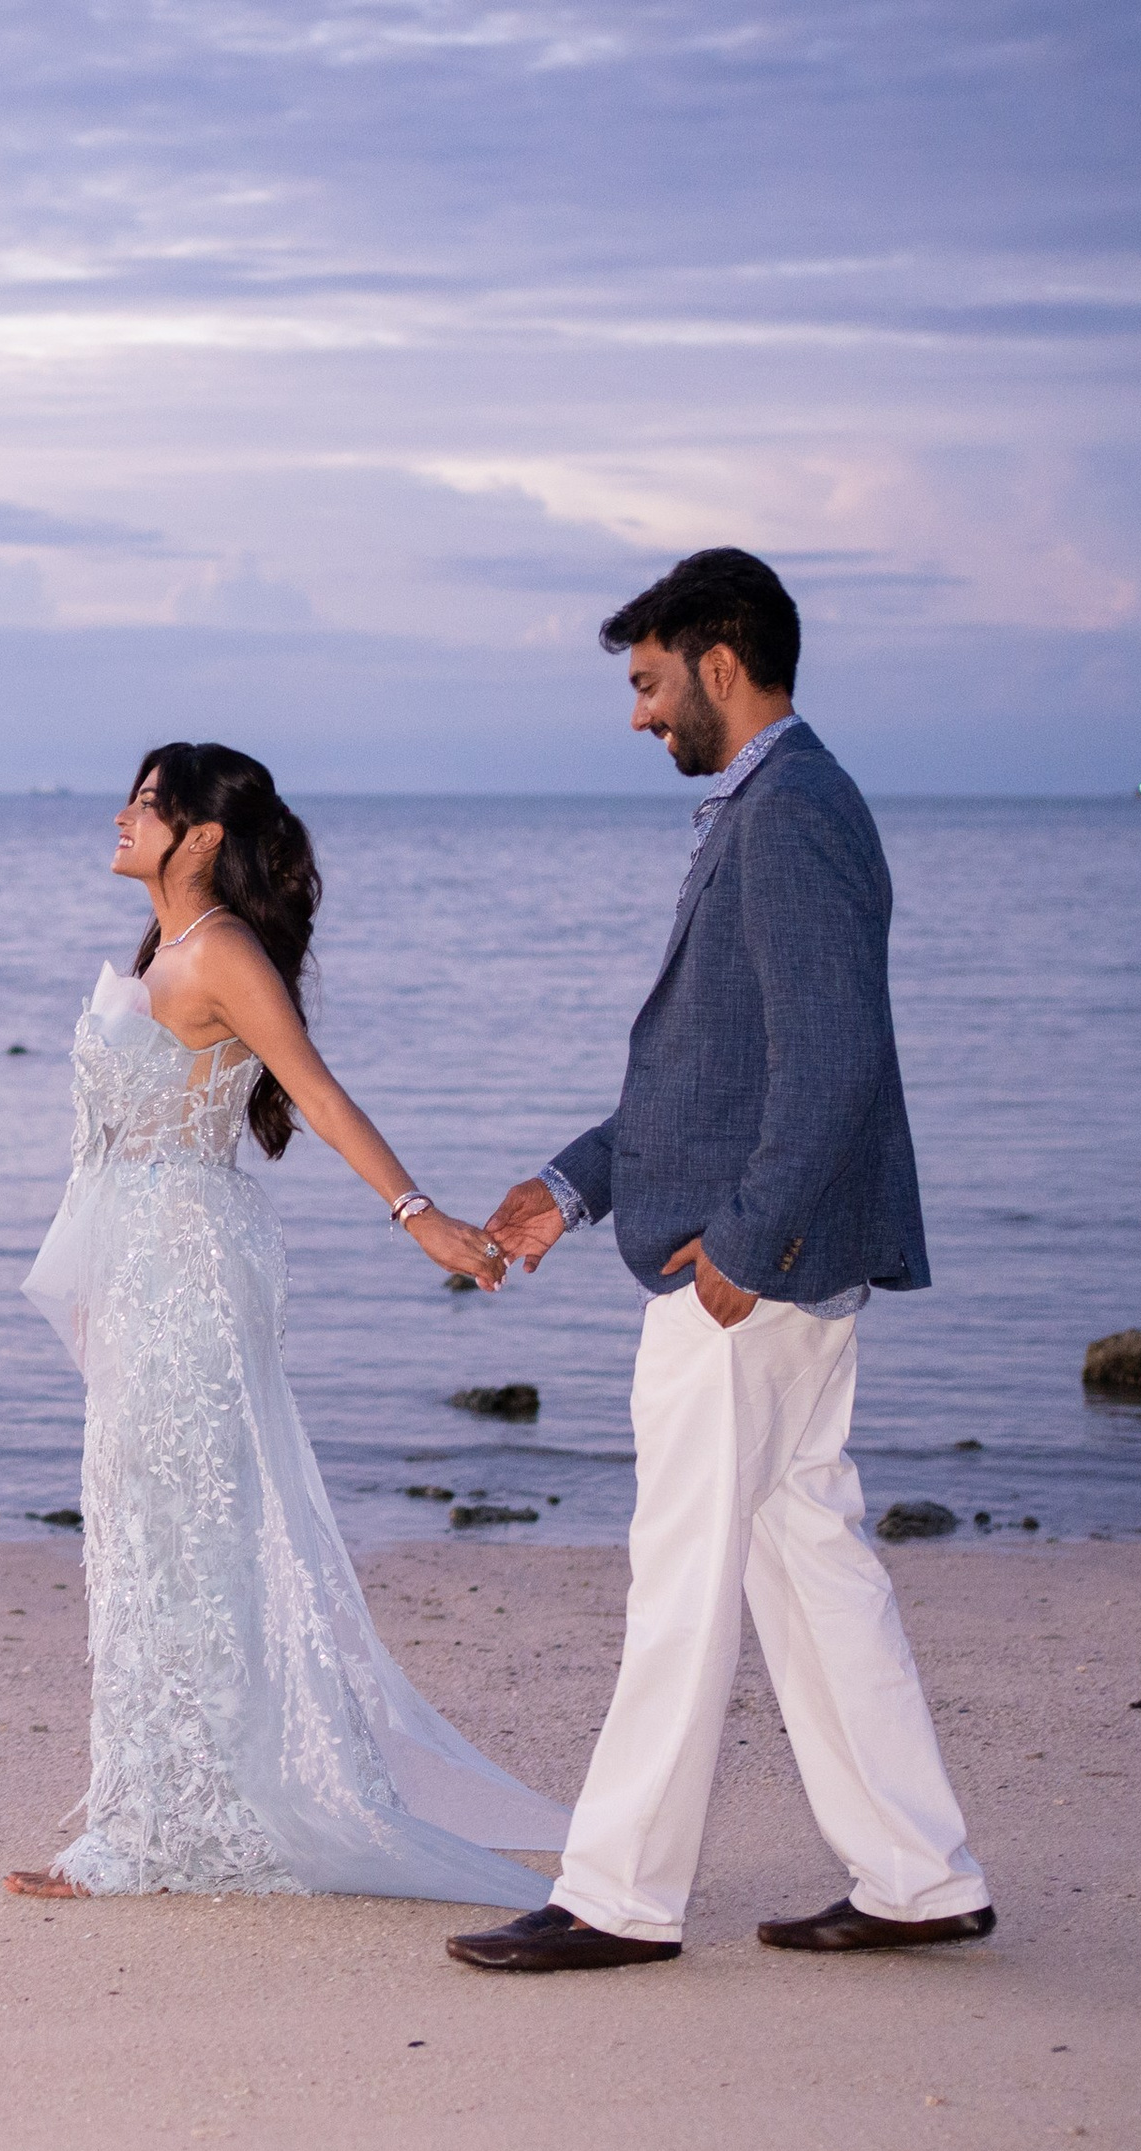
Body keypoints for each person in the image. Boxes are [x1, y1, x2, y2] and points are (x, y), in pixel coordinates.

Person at [448, 548, 991, 1974]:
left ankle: (617, 1894)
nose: (639, 715)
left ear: (721, 659)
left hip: (747, 1274)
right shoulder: (773, 805)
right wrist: (566, 1190)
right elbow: (711, 1073)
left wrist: (746, 1247)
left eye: (647, 682)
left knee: (684, 1570)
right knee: (806, 1557)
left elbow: (833, 1058)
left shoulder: (793, 811)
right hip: (768, 1257)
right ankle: (919, 1873)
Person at [8, 742, 567, 1905]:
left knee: (193, 1536)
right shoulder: (162, 946)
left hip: (189, 1272)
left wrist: (421, 1217)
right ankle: (157, 1814)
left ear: (200, 836)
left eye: (146, 805)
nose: (118, 816)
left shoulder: (220, 952)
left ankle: (186, 1827)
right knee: (142, 1534)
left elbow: (312, 1089)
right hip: (144, 1270)